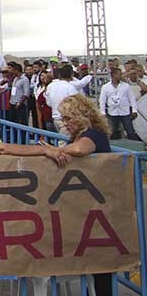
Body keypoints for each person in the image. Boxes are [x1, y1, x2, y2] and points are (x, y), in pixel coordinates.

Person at [38, 93, 112, 296]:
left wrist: (51, 151)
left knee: (101, 267)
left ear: (81, 116)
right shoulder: (80, 134)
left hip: (100, 208)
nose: (65, 123)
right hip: (88, 207)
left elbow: (80, 150)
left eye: (68, 118)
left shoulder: (93, 135)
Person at [99, 67, 139, 140]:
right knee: (112, 131)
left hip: (125, 112)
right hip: (112, 112)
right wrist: (103, 112)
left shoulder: (126, 86)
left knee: (130, 130)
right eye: (119, 74)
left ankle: (134, 145)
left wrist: (134, 110)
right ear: (113, 75)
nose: (121, 76)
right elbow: (102, 100)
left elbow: (132, 99)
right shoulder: (105, 87)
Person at [45, 65, 80, 137]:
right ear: (71, 75)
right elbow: (75, 105)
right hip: (66, 119)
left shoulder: (51, 86)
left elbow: (48, 103)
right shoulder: (70, 88)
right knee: (63, 143)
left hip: (55, 117)